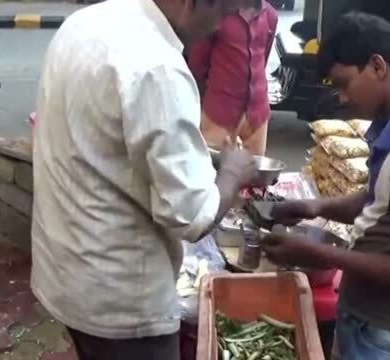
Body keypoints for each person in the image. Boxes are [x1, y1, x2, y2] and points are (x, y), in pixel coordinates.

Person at [31, 0, 256, 359]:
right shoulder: (156, 65)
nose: (218, 28)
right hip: (121, 303)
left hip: (66, 274)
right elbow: (193, 216)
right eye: (222, 13)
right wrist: (232, 171)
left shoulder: (87, 22)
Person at [262, 12, 390, 360]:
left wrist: (316, 253)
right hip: (367, 314)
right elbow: (383, 200)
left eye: (344, 84)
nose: (342, 98)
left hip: (384, 329)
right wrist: (314, 207)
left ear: (377, 66)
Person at [187, 0, 278, 155]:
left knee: (253, 174)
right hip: (219, 113)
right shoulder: (216, 12)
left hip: (257, 115)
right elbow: (197, 64)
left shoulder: (270, 15)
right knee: (215, 173)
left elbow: (262, 60)